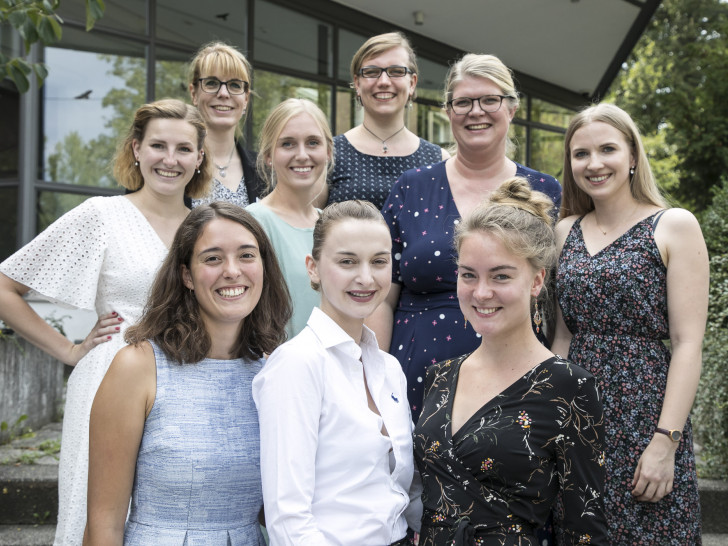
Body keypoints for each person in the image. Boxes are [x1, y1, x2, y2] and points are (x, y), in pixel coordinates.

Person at [0, 98, 210, 545]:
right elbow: (5, 287)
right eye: (158, 145)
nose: (170, 160)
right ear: (136, 149)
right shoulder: (101, 216)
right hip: (109, 377)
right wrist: (68, 350)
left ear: (199, 157)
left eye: (183, 149)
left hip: (191, 379)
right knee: (95, 517)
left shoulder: (207, 227)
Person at [414, 177, 608, 545]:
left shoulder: (570, 386)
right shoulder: (440, 376)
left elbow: (584, 529)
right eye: (468, 275)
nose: (481, 292)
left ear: (536, 281)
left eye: (500, 276)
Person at [370, 53, 562, 422]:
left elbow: (554, 293)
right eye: (463, 102)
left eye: (489, 100)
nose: (476, 111)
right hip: (415, 379)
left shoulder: (544, 190)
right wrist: (376, 385)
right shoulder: (411, 188)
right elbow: (381, 298)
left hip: (516, 378)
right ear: (448, 111)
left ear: (512, 107)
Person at [83, 203, 290, 545]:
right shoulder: (138, 367)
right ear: (186, 276)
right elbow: (103, 523)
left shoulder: (274, 370)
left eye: (247, 256)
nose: (232, 271)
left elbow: (281, 506)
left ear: (264, 267)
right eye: (212, 258)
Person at [553, 103, 708, 543]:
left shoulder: (674, 226)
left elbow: (687, 343)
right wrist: (552, 419)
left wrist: (666, 442)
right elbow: (563, 334)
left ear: (633, 155)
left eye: (607, 149)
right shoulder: (565, 231)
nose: (594, 163)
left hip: (647, 414)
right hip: (579, 413)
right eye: (581, 154)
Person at [253, 200, 422, 545]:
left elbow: (405, 492)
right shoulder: (296, 365)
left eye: (378, 261)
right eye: (347, 261)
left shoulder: (389, 369)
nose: (365, 277)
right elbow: (288, 518)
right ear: (313, 268)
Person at [322, 32, 447, 209]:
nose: (383, 81)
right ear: (357, 84)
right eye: (372, 72)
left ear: (412, 83)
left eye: (396, 71)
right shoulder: (329, 154)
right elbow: (309, 224)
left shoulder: (439, 160)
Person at [247, 98, 332, 337]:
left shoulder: (333, 225)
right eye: (288, 144)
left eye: (313, 142)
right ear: (268, 156)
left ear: (328, 151)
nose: (302, 155)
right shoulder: (253, 224)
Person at [189, 41, 265, 207]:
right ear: (194, 93)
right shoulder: (172, 163)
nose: (223, 93)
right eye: (211, 83)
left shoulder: (265, 172)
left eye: (234, 85)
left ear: (245, 99)